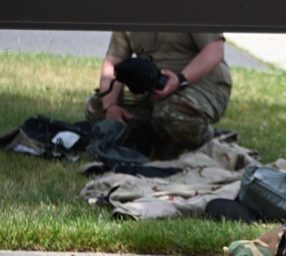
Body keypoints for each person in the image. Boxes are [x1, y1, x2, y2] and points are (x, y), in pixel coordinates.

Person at [85, 32, 232, 160]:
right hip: (153, 90)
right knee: (97, 107)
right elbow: (113, 63)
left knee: (171, 113)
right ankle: (162, 138)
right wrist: (110, 106)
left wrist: (180, 80)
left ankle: (209, 140)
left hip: (201, 84)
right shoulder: (129, 12)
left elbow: (215, 50)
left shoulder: (191, 5)